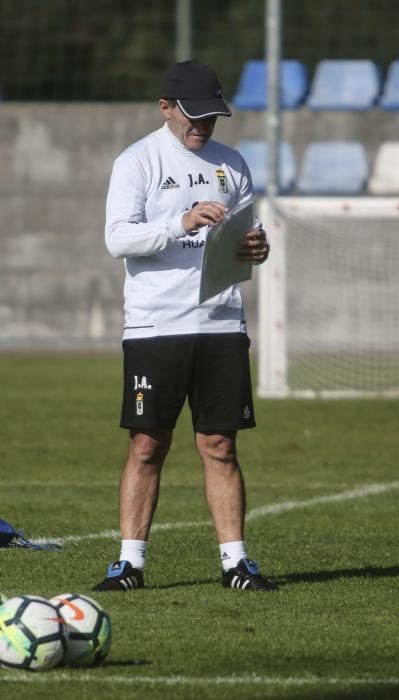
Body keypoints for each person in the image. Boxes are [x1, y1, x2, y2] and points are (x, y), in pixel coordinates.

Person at [93, 60, 277, 593]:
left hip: (221, 323)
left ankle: (236, 564)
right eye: (193, 116)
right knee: (148, 443)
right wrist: (182, 222)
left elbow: (247, 231)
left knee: (220, 444)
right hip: (155, 327)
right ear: (166, 109)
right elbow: (118, 239)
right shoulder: (137, 162)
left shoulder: (233, 164)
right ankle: (130, 565)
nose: (203, 126)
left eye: (212, 116)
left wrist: (257, 247)